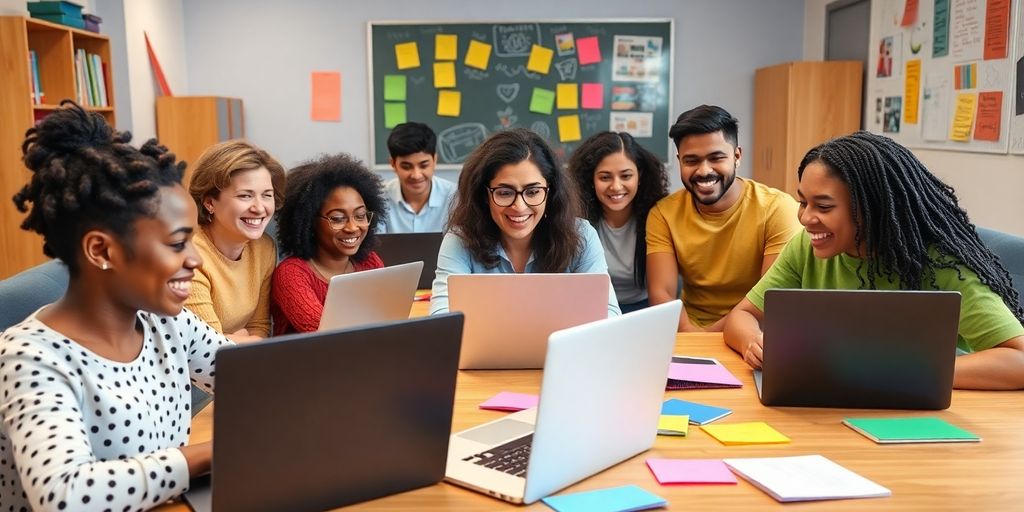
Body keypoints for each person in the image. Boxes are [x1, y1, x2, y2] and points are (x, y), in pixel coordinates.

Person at [1, 102, 231, 510]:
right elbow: (65, 496)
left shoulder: (168, 324)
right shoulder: (29, 358)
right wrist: (207, 455)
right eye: (178, 243)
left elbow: (253, 379)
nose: (195, 259)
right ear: (101, 250)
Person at [724, 131, 1024, 390]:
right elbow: (742, 316)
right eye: (803, 202)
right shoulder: (807, 247)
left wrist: (902, 373)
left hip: (923, 409)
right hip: (832, 399)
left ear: (872, 209)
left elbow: (1018, 359)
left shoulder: (942, 264)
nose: (805, 218)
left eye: (824, 207)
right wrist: (753, 342)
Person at [430, 128, 620, 316]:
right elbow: (441, 319)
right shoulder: (461, 238)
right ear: (484, 195)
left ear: (550, 192)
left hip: (562, 347)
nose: (519, 207)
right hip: (488, 348)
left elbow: (608, 315)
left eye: (533, 192)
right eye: (504, 193)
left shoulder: (581, 236)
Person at [646, 105, 801, 332]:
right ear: (679, 161)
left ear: (737, 156)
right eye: (691, 161)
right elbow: (662, 294)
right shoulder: (663, 214)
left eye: (716, 158)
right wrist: (692, 336)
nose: (704, 170)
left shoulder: (778, 209)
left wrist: (707, 338)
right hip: (685, 331)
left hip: (754, 331)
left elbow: (770, 301)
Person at [271, 154, 386, 334]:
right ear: (310, 222)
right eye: (338, 218)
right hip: (306, 361)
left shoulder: (369, 262)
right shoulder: (291, 274)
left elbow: (387, 317)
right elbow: (325, 333)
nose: (353, 227)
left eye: (360, 215)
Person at [185, 140, 285, 342]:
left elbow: (259, 327)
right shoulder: (189, 256)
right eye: (245, 196)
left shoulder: (264, 248)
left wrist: (236, 340)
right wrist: (240, 340)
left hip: (242, 362)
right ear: (210, 202)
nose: (259, 207)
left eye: (267, 195)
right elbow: (207, 348)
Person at [569, 131, 669, 313]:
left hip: (645, 311)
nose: (616, 186)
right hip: (593, 310)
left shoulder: (659, 218)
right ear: (591, 179)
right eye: (605, 177)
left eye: (626, 176)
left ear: (640, 176)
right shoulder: (578, 223)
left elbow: (663, 294)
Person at [378, 122, 456, 233]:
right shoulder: (379, 198)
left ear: (434, 160)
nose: (416, 175)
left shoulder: (455, 197)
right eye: (406, 167)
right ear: (393, 164)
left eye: (424, 165)